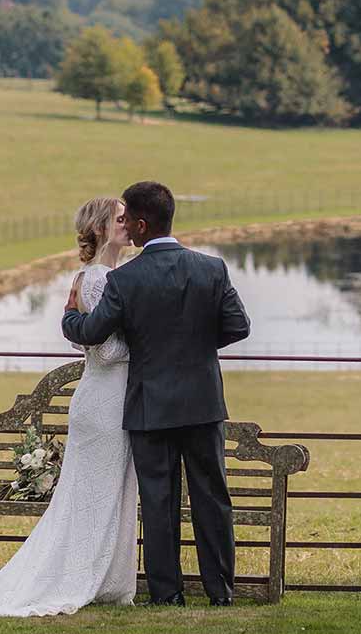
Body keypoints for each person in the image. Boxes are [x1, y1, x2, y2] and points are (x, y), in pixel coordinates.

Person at [0, 197, 140, 617]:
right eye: (120, 219)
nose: (128, 224)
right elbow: (106, 351)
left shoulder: (104, 277)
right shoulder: (96, 279)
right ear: (99, 228)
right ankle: (78, 577)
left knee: (110, 492)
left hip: (112, 398)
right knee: (92, 495)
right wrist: (150, 343)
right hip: (105, 402)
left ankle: (106, 580)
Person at [62, 180, 251, 606]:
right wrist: (195, 347)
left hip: (150, 405)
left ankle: (167, 595)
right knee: (212, 498)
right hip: (203, 402)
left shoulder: (125, 279)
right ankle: (221, 592)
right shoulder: (212, 268)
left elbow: (92, 332)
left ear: (143, 225)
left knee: (159, 500)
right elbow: (239, 326)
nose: (125, 224)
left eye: (128, 218)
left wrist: (68, 316)